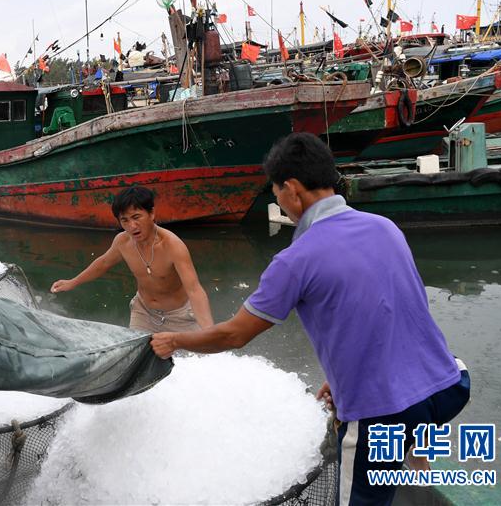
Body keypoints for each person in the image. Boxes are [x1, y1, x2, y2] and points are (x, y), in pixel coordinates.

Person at [151, 133, 470, 506]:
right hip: (448, 386)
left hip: (381, 413)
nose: (279, 203)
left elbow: (234, 335)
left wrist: (174, 340)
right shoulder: (385, 227)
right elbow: (397, 312)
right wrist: (343, 378)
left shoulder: (295, 260)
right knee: (408, 462)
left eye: (277, 194)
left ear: (293, 189)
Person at [51, 186, 214, 333]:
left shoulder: (173, 246)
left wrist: (209, 330)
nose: (132, 226)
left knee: (200, 360)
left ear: (152, 213)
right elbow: (103, 263)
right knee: (137, 359)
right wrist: (73, 281)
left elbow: (194, 290)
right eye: (125, 220)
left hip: (180, 317)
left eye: (136, 217)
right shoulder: (123, 241)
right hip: (143, 313)